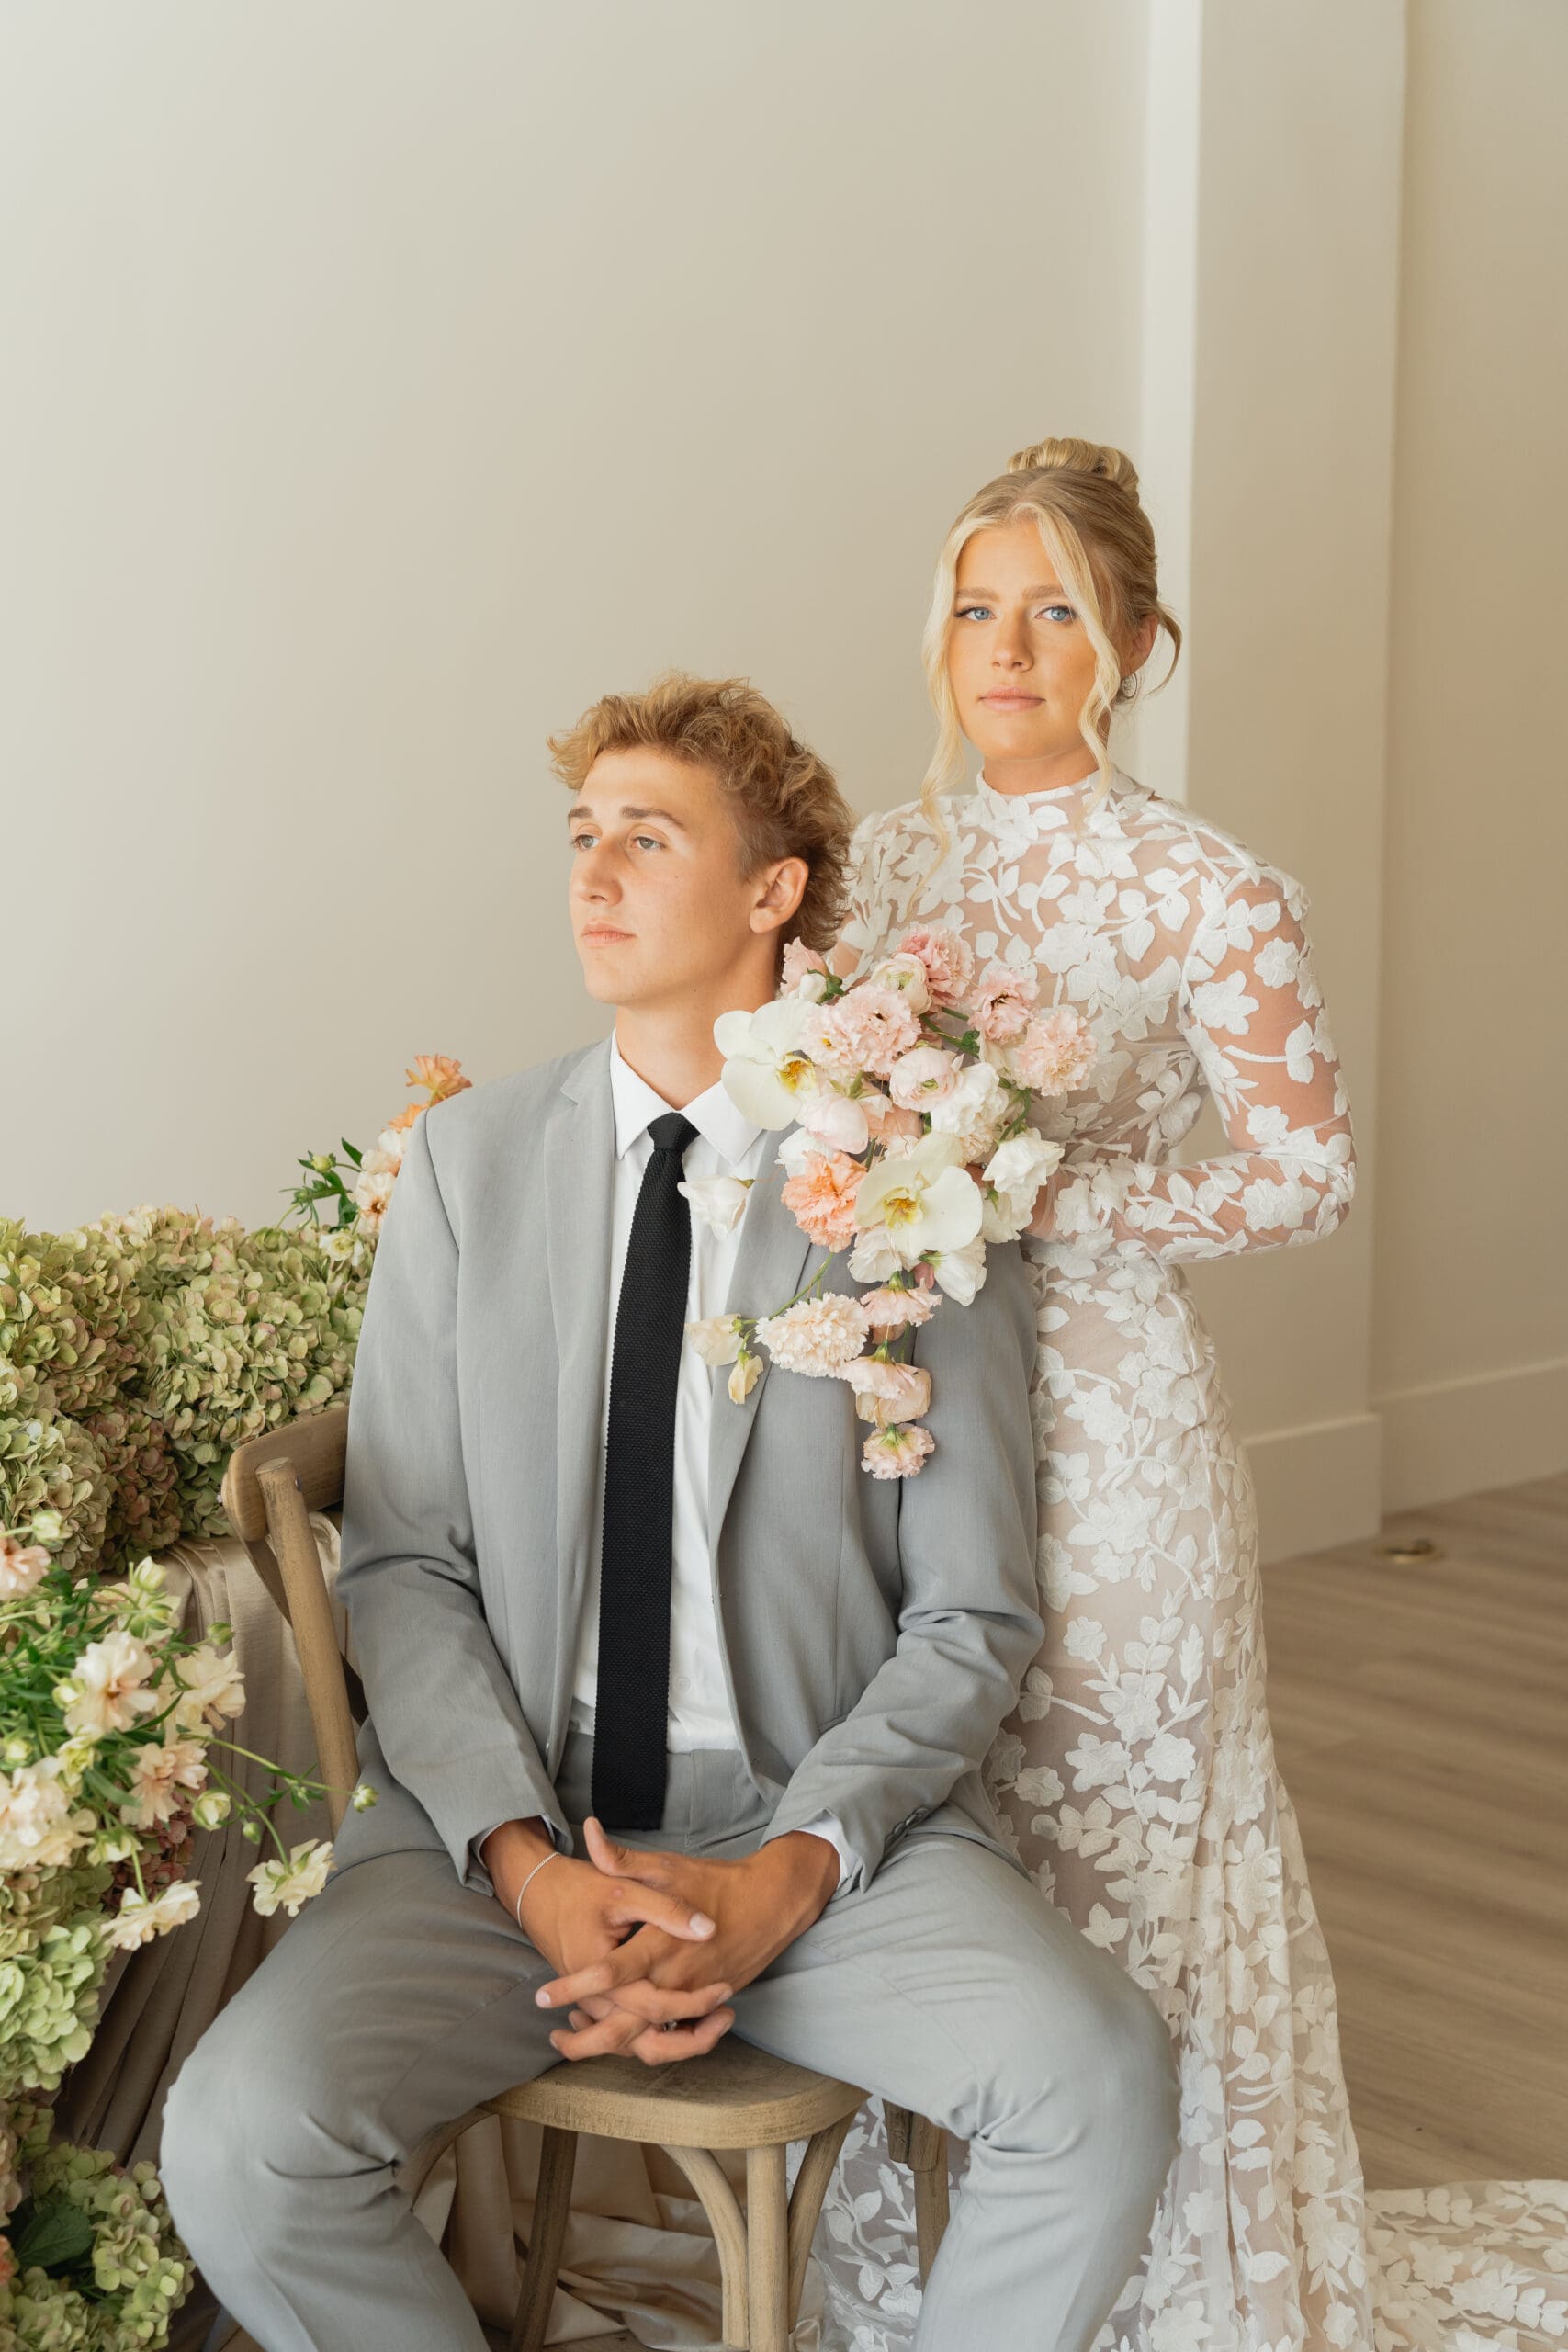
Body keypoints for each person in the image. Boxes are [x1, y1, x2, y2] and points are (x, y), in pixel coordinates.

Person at [160, 670, 1179, 2352]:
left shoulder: (918, 1176)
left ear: (772, 892)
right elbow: (406, 1566)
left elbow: (971, 1612)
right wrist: (527, 1866)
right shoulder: (470, 1167)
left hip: (809, 1824)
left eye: (651, 835)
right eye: (582, 834)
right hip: (499, 1835)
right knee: (241, 2138)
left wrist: (787, 1874)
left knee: (1101, 2078)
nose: (595, 873)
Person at [813, 439, 1372, 2352]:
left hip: (1113, 1420)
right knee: (935, 1830)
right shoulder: (877, 861)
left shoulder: (1204, 884)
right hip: (901, 1418)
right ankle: (940, 2286)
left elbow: (1305, 1171)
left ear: (1128, 641)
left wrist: (1043, 1186)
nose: (1006, 643)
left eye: (1054, 607)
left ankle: (1170, 2294)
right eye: (977, 604)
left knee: (1121, 1838)